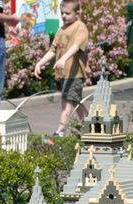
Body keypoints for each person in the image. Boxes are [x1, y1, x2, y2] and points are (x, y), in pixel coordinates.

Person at [33, 0, 89, 136]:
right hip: (64, 74)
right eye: (62, 13)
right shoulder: (61, 29)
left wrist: (64, 58)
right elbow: (53, 50)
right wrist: (40, 63)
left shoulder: (80, 27)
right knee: (75, 101)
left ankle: (60, 130)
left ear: (77, 13)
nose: (64, 16)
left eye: (67, 13)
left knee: (66, 101)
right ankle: (89, 125)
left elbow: (76, 46)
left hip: (75, 74)